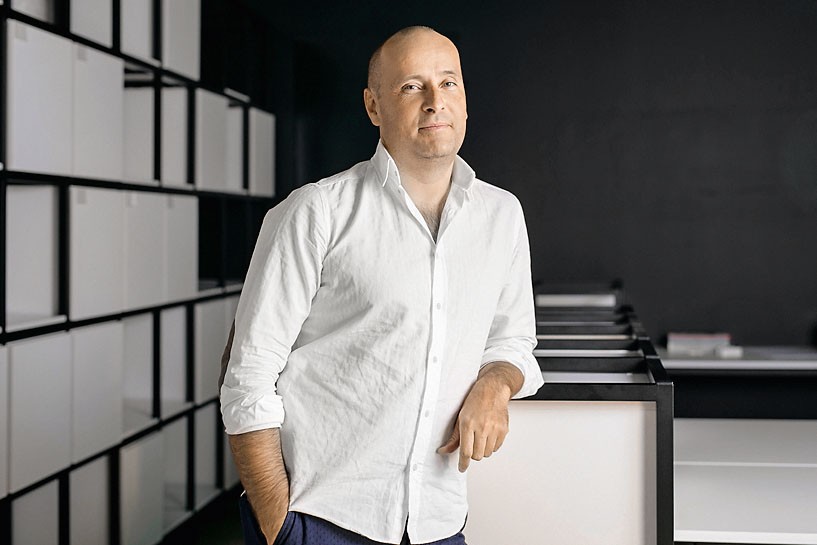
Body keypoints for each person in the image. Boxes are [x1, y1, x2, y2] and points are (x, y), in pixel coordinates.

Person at [219, 25, 543, 545]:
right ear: (373, 106)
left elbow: (513, 341)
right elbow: (247, 374)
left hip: (438, 522)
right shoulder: (316, 212)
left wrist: (495, 383)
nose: (435, 101)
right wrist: (279, 522)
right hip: (321, 520)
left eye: (449, 82)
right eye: (412, 86)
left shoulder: (502, 215)